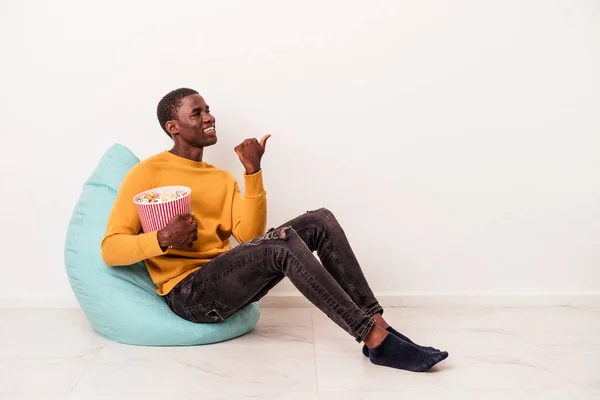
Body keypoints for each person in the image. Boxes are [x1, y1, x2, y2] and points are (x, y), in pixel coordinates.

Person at [101, 88, 448, 372]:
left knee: (320, 219)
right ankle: (371, 338)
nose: (208, 117)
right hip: (189, 294)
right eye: (197, 113)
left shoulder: (221, 178)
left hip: (224, 281)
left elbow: (248, 235)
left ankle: (377, 323)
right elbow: (111, 249)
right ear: (172, 126)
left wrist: (253, 172)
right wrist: (161, 239)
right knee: (280, 245)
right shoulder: (148, 172)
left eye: (208, 109)